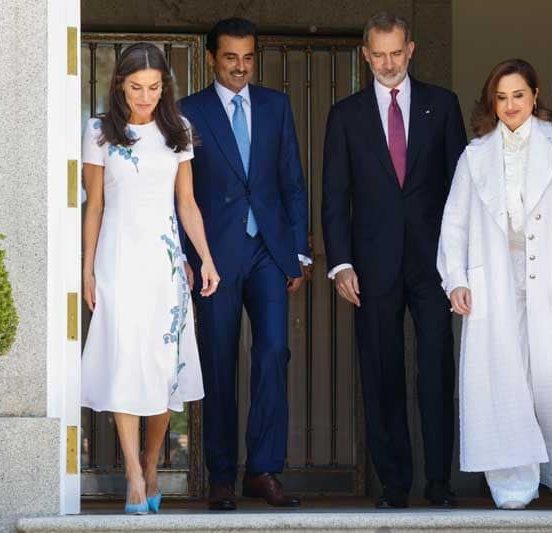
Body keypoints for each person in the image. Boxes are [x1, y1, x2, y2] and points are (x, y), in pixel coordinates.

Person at [437, 58, 552, 509]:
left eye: (519, 95)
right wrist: (454, 279)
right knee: (501, 377)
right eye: (502, 97)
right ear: (492, 102)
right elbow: (454, 223)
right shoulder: (476, 154)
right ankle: (511, 485)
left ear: (534, 96)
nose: (511, 105)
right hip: (494, 276)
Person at [322, 12, 467, 509]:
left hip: (434, 266)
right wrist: (340, 263)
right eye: (377, 54)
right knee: (382, 375)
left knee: (436, 371)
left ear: (412, 50)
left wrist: (461, 266)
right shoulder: (345, 115)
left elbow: (460, 192)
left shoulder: (443, 107)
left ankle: (440, 484)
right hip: (371, 266)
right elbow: (334, 195)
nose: (387, 63)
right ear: (366, 54)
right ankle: (394, 485)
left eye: (395, 53)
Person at [178, 17, 310, 510]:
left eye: (248, 57)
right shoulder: (189, 110)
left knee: (274, 353)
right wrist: (189, 258)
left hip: (270, 253)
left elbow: (292, 180)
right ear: (213, 57)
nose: (240, 66)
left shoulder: (276, 106)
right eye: (231, 57)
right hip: (215, 256)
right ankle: (220, 476)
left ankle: (263, 469)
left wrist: (298, 250)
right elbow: (180, 193)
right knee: (218, 361)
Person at [81, 43, 218, 515]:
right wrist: (86, 268)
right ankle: (134, 477)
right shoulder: (99, 132)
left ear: (166, 87)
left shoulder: (178, 129)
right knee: (125, 362)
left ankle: (153, 462)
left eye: (154, 88)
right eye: (136, 87)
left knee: (163, 369)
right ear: (120, 85)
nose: (145, 97)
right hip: (117, 261)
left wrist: (206, 259)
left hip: (166, 264)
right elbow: (94, 206)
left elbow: (187, 204)